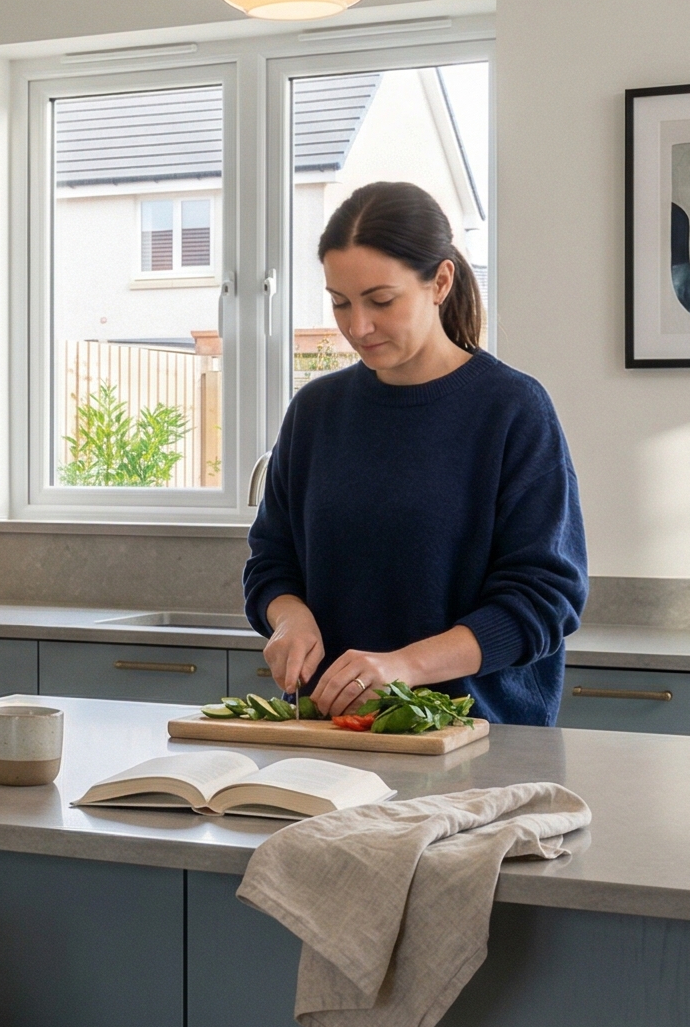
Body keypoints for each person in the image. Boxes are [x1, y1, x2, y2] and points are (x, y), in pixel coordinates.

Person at [243, 181, 587, 726]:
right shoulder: (315, 412)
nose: (358, 326)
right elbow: (272, 563)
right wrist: (290, 619)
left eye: (381, 301)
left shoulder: (513, 410)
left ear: (440, 282)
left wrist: (403, 666)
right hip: (333, 740)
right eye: (340, 302)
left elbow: (543, 600)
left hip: (480, 742)